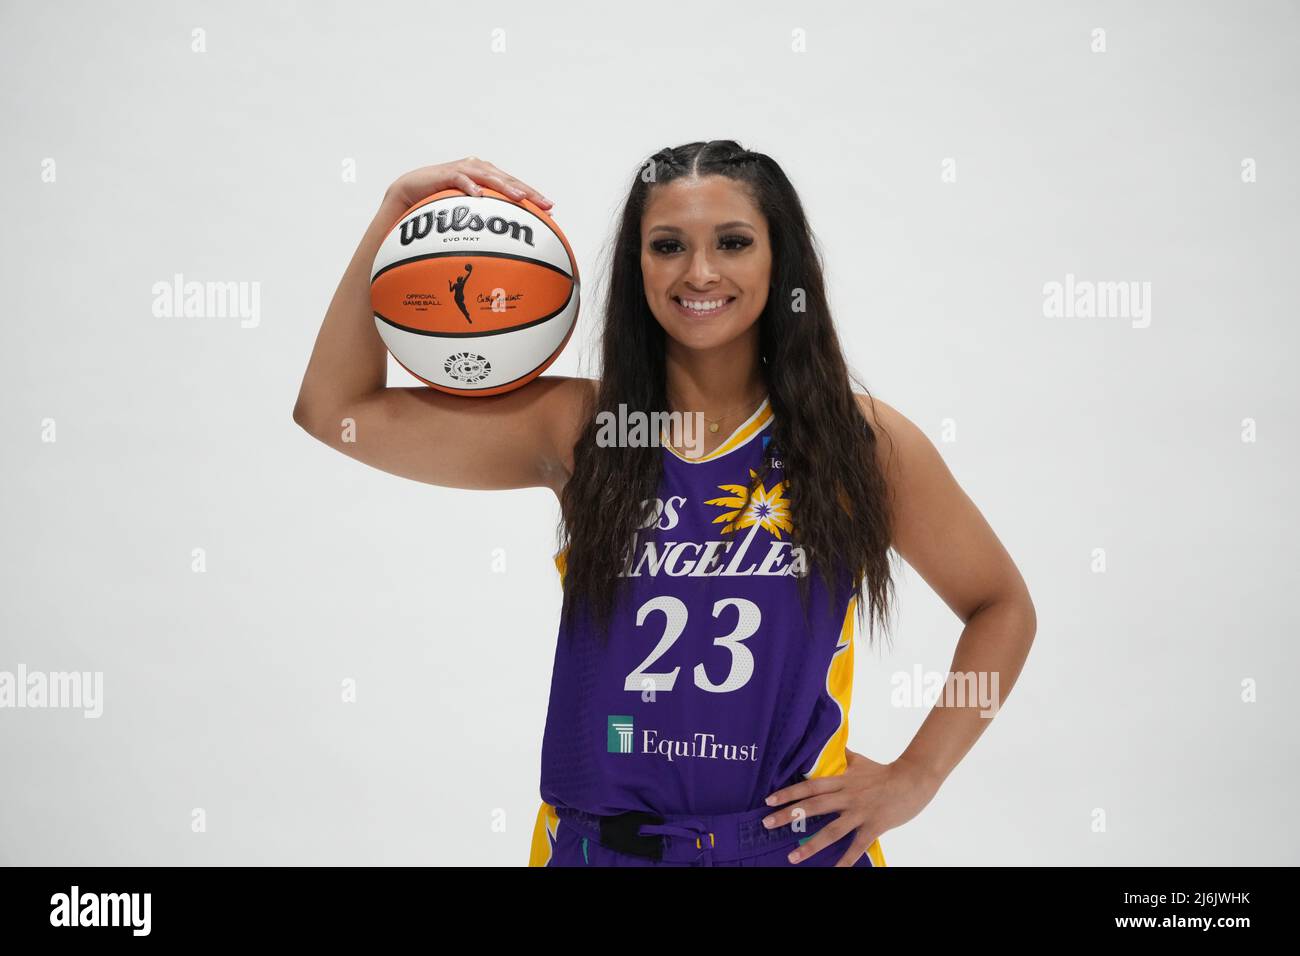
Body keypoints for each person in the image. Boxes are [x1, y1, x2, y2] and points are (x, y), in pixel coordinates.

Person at [293, 142, 1037, 867]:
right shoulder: (581, 430)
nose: (700, 271)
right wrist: (395, 216)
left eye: (734, 242)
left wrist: (918, 775)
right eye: (668, 245)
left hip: (792, 845)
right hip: (601, 846)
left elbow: (1000, 605)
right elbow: (334, 410)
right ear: (636, 266)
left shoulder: (859, 441)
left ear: (781, 264)